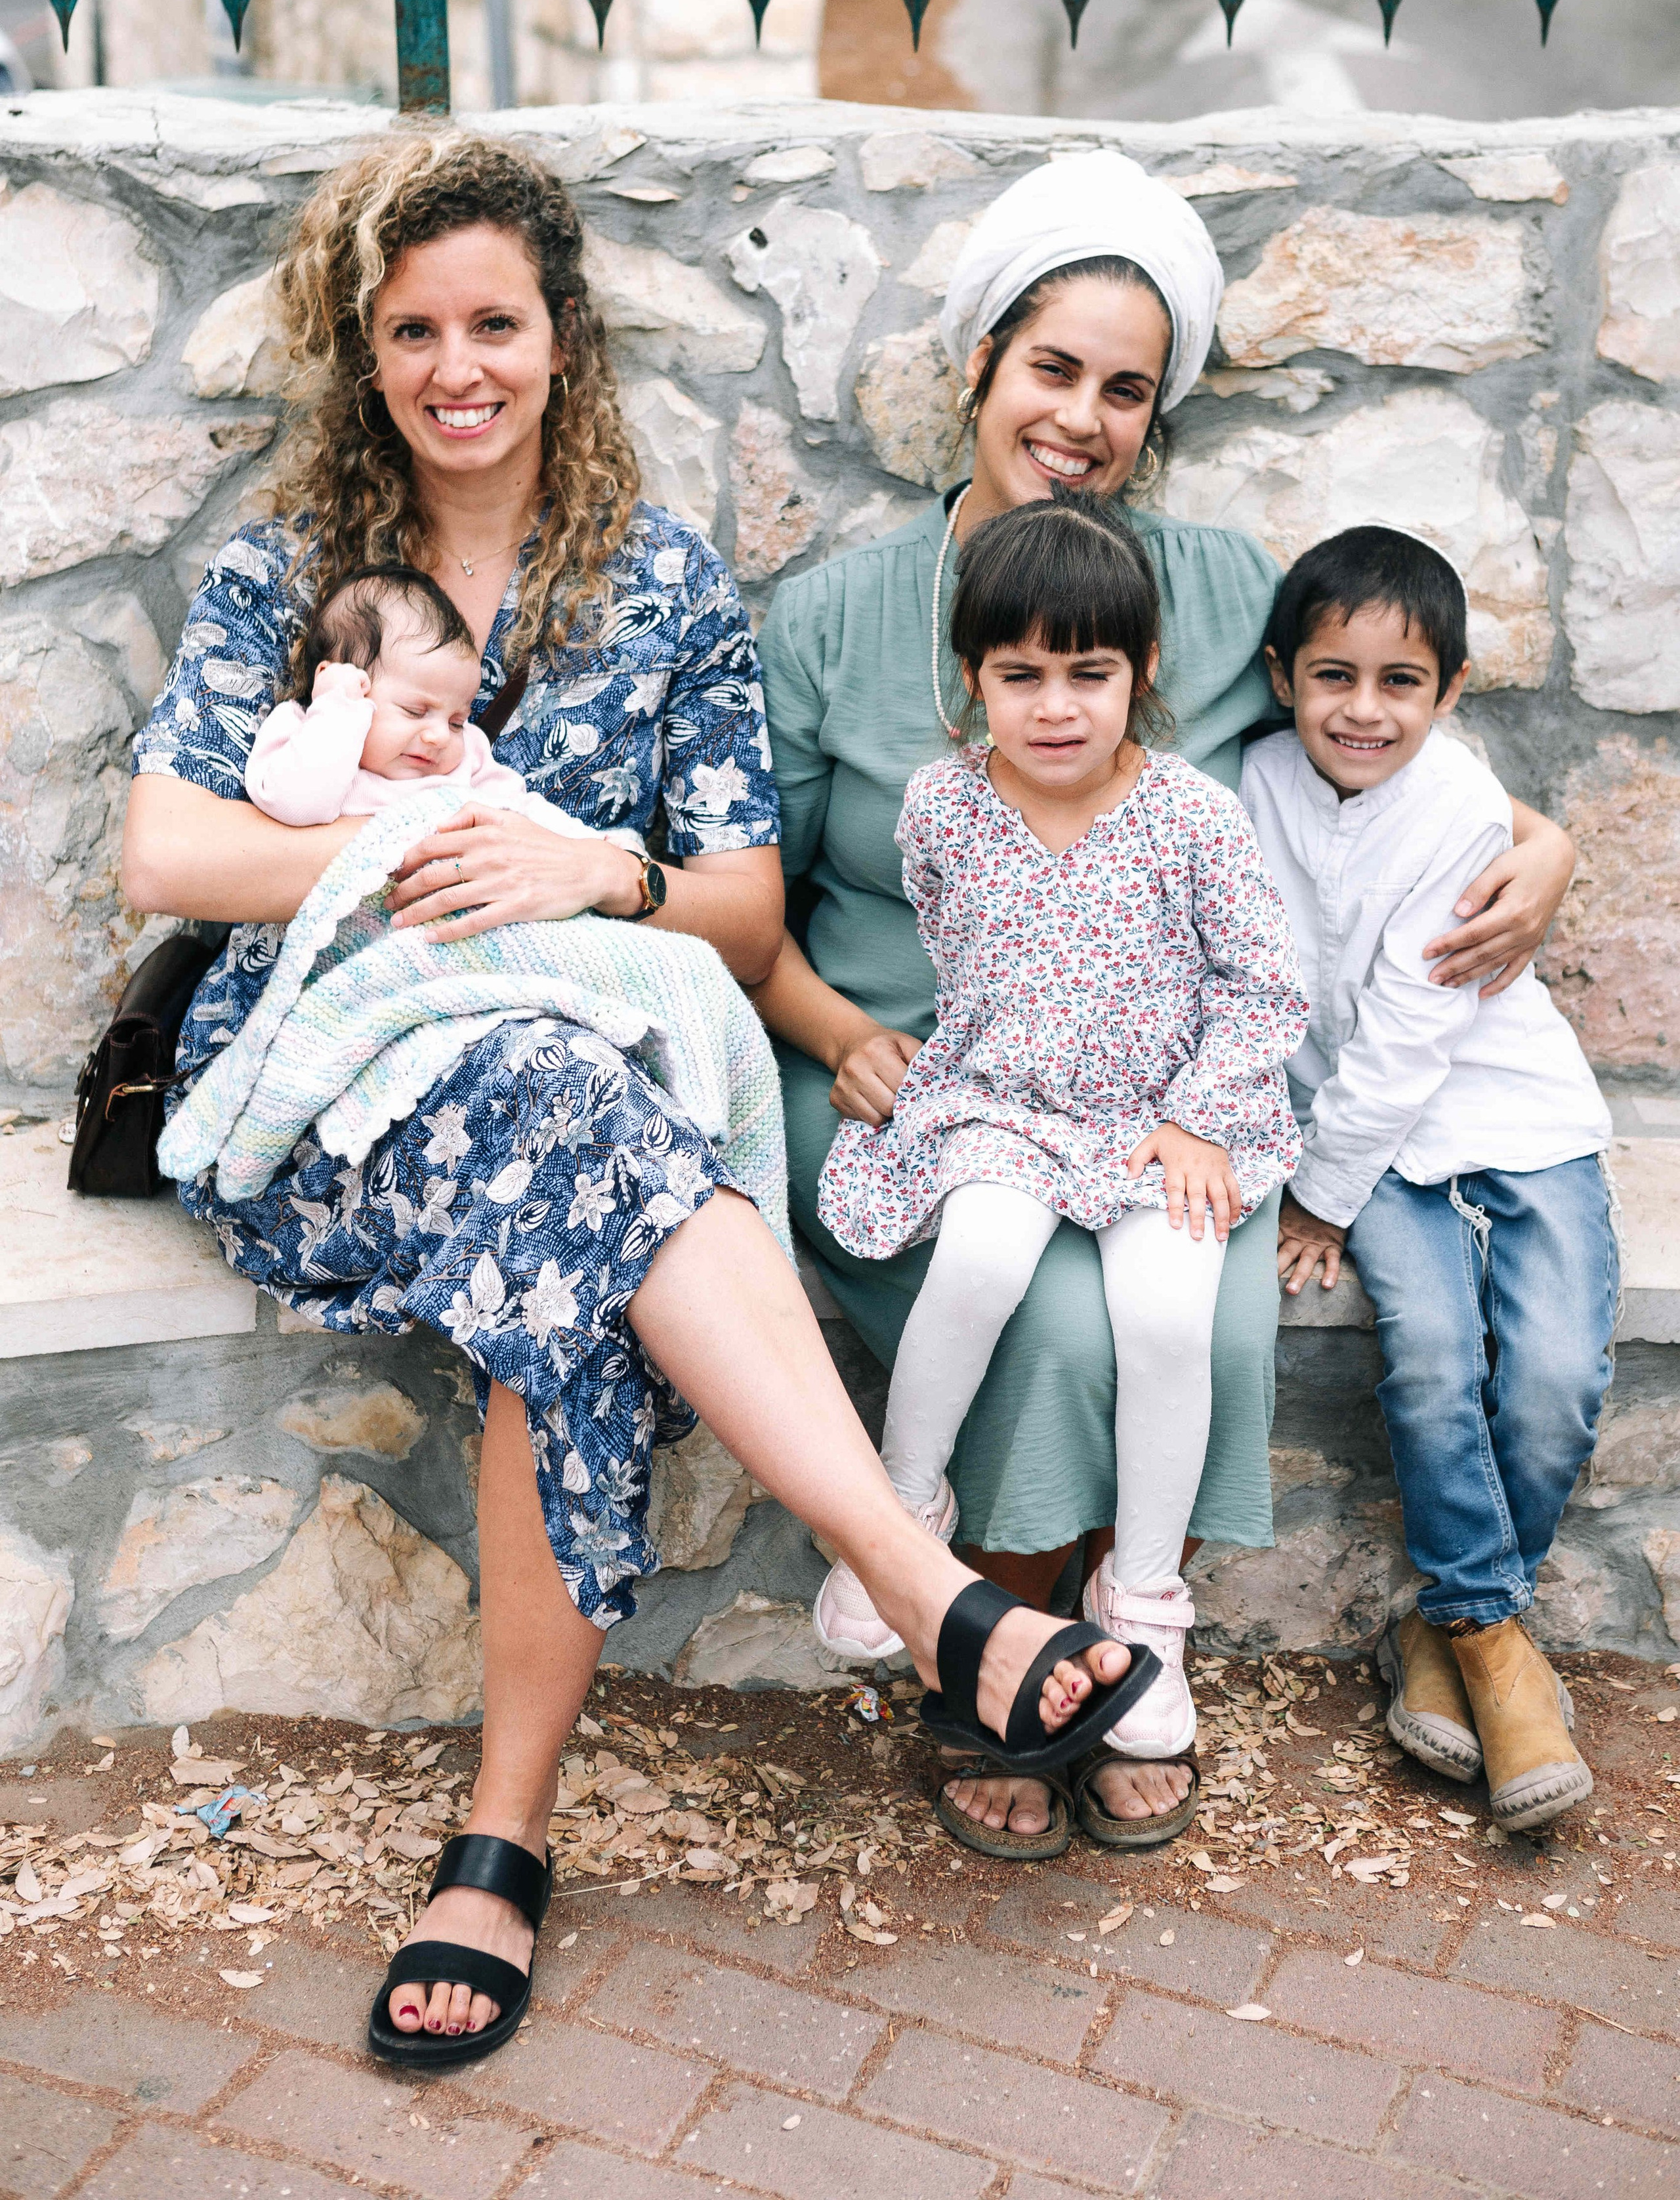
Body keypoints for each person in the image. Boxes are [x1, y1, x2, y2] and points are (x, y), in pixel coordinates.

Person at [121, 128, 1146, 2065]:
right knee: (579, 1135)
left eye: (493, 323)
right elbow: (167, 851)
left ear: (561, 337)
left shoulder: (660, 581)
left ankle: (499, 1842)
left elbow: (741, 906)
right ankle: (913, 1579)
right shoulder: (288, 573)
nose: (456, 367)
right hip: (331, 1093)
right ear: (367, 354)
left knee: (569, 1210)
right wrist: (422, 851)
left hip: (562, 1098)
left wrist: (590, 869)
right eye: (412, 331)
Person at [754, 150, 1582, 1856]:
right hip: (902, 1068)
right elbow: (741, 900)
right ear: (979, 367)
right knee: (1039, 1311)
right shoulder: (832, 614)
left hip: (1158, 1070)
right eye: (1051, 369)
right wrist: (836, 1032)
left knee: (1180, 1294)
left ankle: (1129, 1635)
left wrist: (1538, 837)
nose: (1081, 418)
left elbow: (1371, 724)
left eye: (1124, 391)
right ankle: (990, 1650)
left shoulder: (1211, 587)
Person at [810, 494, 1307, 1815]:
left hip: (1159, 1119)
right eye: (1018, 674)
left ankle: (1141, 1603)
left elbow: (1263, 987)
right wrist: (1005, 1069)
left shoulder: (1191, 817)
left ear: (1143, 671)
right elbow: (960, 950)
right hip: (1006, 1102)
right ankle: (898, 1521)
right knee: (977, 1257)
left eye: (1088, 672)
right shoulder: (942, 806)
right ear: (970, 680)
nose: (1054, 706)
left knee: (1167, 1317)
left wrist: (1197, 1115)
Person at [1246, 527, 1614, 1834]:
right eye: (1332, 676)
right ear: (1283, 676)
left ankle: (1449, 1624)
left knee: (1557, 1376)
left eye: (1399, 681)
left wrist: (1315, 1199)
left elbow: (1412, 1029)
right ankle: (1491, 1643)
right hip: (1378, 1149)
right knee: (1431, 1361)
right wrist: (1330, 1178)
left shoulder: (1461, 805)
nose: (1364, 709)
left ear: (1449, 690)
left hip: (1511, 1112)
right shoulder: (1252, 786)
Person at [245, 561, 640, 850]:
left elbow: (522, 813)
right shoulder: (301, 733)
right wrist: (336, 707)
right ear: (338, 680)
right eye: (415, 711)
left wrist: (591, 845)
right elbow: (298, 806)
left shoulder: (468, 758)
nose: (439, 736)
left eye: (456, 721)